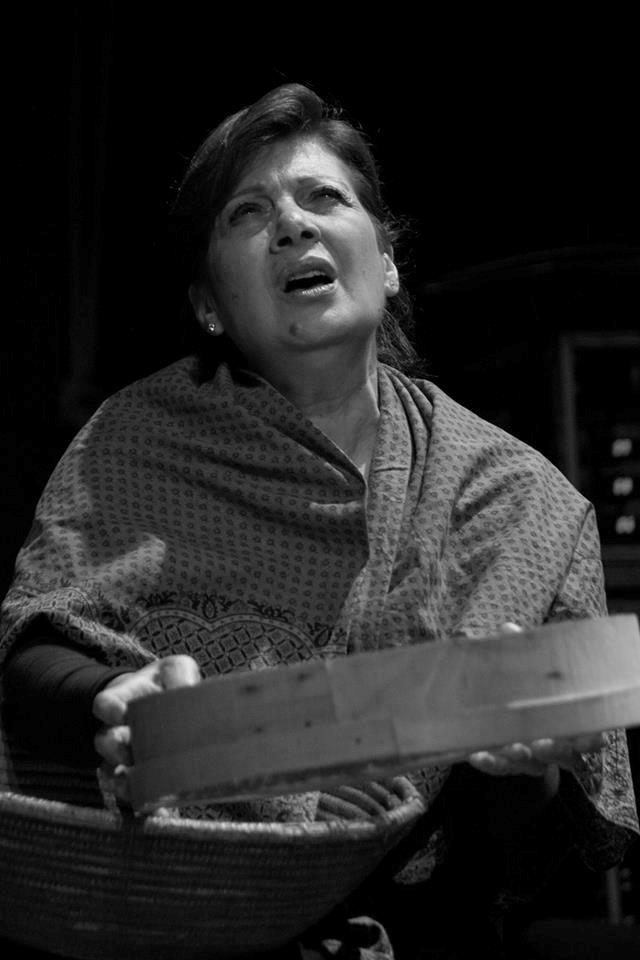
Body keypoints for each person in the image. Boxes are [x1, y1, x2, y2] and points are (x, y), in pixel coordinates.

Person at [0, 83, 638, 959]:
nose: (292, 225)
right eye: (248, 213)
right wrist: (106, 697)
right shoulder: (134, 439)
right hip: (160, 919)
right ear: (209, 304)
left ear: (389, 259)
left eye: (324, 197)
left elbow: (524, 857)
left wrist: (524, 769)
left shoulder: (519, 497)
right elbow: (32, 650)